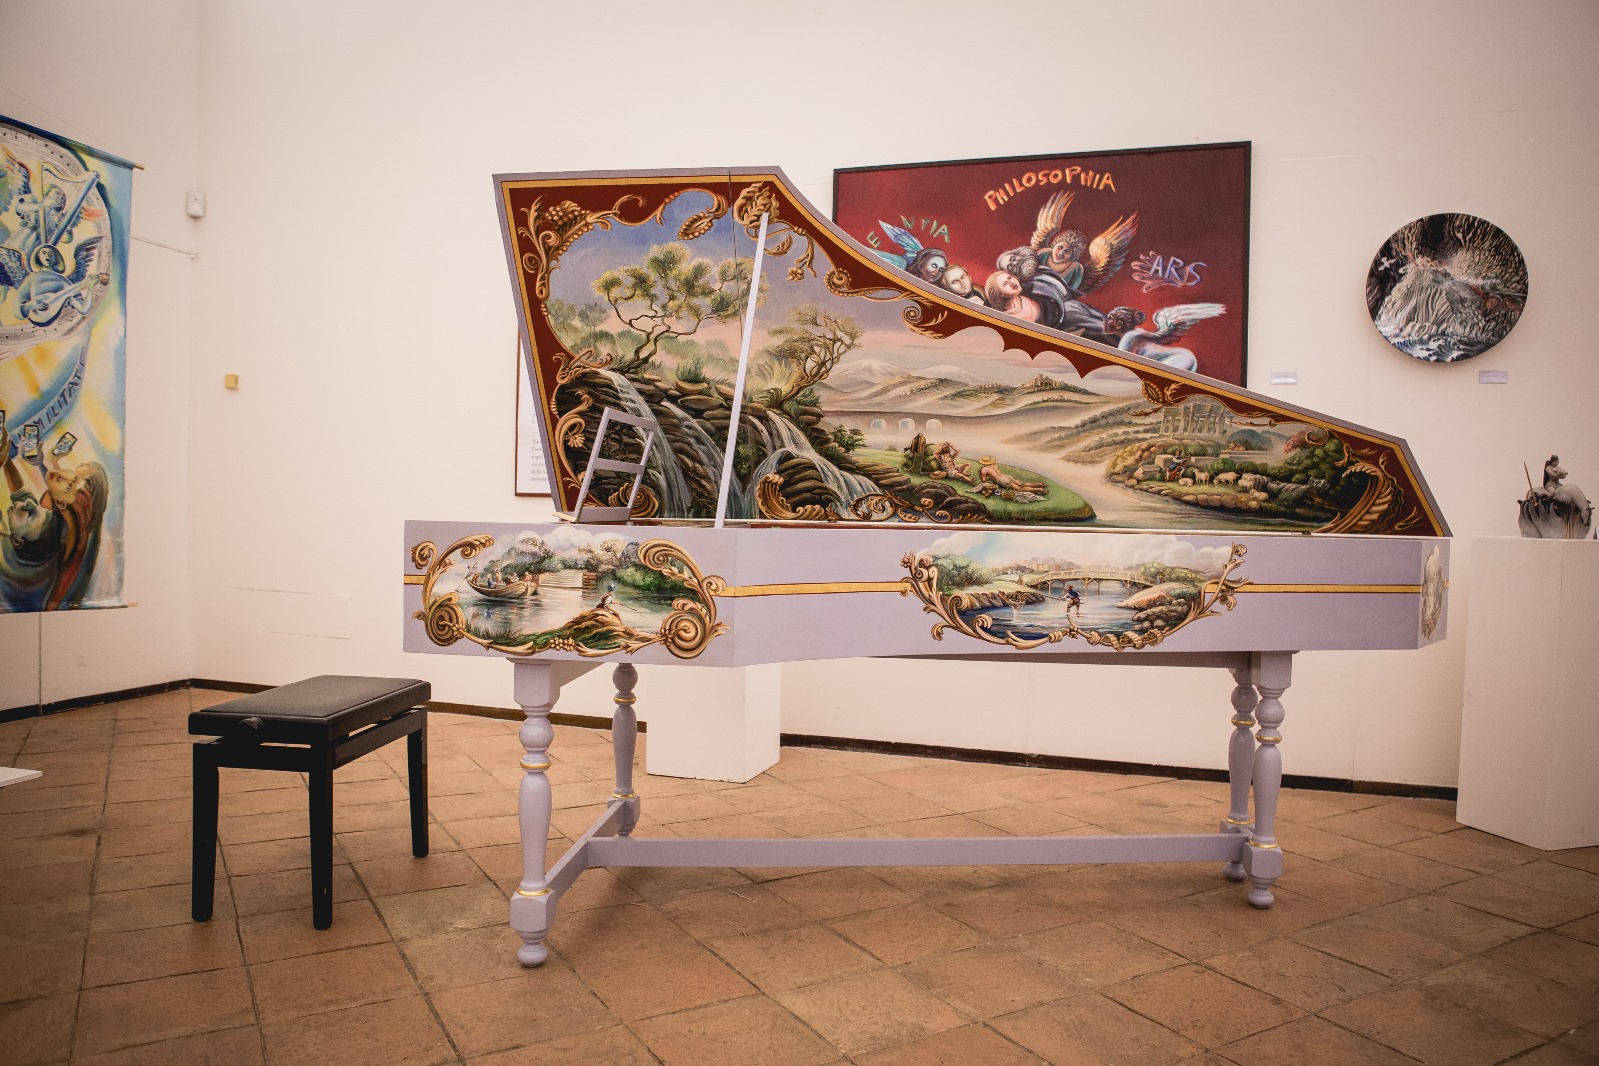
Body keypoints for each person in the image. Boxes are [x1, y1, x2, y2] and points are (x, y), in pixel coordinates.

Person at [977, 456, 1047, 494]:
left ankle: (1039, 489)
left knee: (1019, 489)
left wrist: (980, 474)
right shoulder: (995, 465)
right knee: (1022, 484)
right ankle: (1039, 484)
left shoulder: (984, 469)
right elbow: (998, 473)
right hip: (1006, 476)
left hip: (1002, 480)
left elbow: (984, 481)